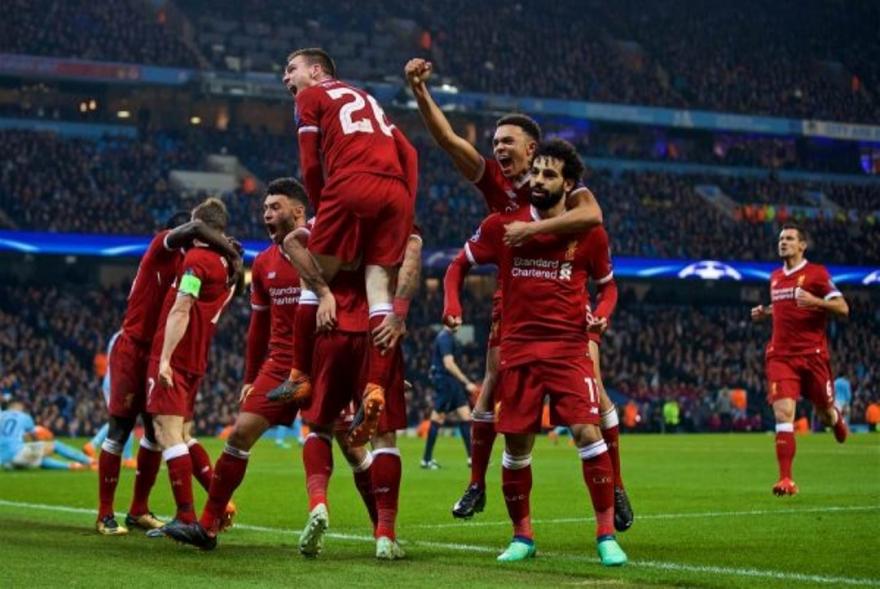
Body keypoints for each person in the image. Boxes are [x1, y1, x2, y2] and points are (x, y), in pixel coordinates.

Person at [405, 57, 607, 519]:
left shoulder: (565, 185)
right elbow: (448, 140)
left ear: (532, 149)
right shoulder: (495, 180)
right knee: (492, 380)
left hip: (563, 294)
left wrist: (531, 231)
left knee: (598, 391)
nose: (497, 148)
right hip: (515, 294)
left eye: (506, 142)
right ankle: (477, 484)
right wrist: (419, 92)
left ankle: (613, 489)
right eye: (495, 142)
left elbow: (593, 216)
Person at [444, 139, 626, 566]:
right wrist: (452, 303)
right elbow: (458, 264)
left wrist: (601, 315)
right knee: (516, 447)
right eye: (537, 172)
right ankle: (522, 536)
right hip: (519, 350)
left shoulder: (589, 233)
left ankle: (606, 535)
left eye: (549, 175)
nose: (539, 180)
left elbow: (609, 287)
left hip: (569, 350)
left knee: (587, 434)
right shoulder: (501, 226)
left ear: (569, 184)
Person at [273, 48, 419, 447]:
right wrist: (407, 204)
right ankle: (376, 385)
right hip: (396, 193)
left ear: (317, 70)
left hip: (350, 185)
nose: (286, 79)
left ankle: (299, 375)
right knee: (379, 291)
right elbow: (409, 152)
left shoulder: (311, 96)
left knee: (311, 278)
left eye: (291, 69)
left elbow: (309, 163)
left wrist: (323, 210)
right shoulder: (368, 98)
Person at [163, 179, 309, 549]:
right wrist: (249, 377)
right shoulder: (263, 263)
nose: (267, 215)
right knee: (240, 433)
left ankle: (383, 530)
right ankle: (207, 526)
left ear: (298, 211)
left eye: (274, 207)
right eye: (265, 209)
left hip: (323, 360)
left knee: (352, 447)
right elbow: (258, 328)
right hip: (279, 364)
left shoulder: (323, 249)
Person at [97, 204, 242, 536]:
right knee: (120, 429)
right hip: (133, 349)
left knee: (156, 433)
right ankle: (105, 514)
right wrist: (231, 254)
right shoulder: (161, 246)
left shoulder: (191, 263)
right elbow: (196, 229)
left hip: (162, 353)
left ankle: (139, 509)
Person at [279, 223, 423, 560]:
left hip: (330, 327)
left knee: (319, 426)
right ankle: (385, 535)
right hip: (378, 328)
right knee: (384, 438)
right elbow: (411, 263)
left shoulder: (332, 217)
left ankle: (318, 503)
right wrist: (400, 314)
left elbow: (291, 242)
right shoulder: (396, 219)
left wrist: (322, 291)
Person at [146, 198, 237, 533]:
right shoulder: (227, 265)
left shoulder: (197, 261)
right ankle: (220, 506)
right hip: (198, 356)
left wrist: (165, 359)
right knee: (184, 434)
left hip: (178, 355)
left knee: (166, 433)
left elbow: (182, 307)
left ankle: (186, 516)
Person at [751, 223, 849, 497]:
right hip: (780, 356)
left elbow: (843, 307)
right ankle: (786, 479)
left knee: (824, 413)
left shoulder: (817, 274)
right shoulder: (775, 277)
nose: (783, 242)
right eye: (781, 239)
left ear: (802, 245)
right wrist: (766, 312)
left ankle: (835, 417)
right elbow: (786, 306)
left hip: (813, 356)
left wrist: (816, 302)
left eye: (790, 239)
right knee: (783, 414)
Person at [421, 325, 476, 469]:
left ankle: (472, 458)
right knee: (438, 418)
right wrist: (466, 382)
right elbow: (449, 364)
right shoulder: (445, 337)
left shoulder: (448, 337)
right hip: (446, 382)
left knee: (465, 416)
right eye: (457, 318)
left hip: (452, 382)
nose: (460, 321)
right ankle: (426, 460)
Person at [84, 330, 136, 469]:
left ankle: (94, 445)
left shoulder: (117, 336)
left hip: (110, 378)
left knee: (122, 419)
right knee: (126, 418)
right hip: (118, 381)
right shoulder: (130, 337)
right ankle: (127, 457)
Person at [0, 400, 93, 471]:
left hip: (5, 462)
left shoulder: (1, 415)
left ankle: (72, 466)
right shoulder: (24, 416)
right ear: (18, 406)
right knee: (55, 445)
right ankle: (90, 461)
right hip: (16, 452)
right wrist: (42, 441)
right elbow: (34, 437)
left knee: (36, 458)